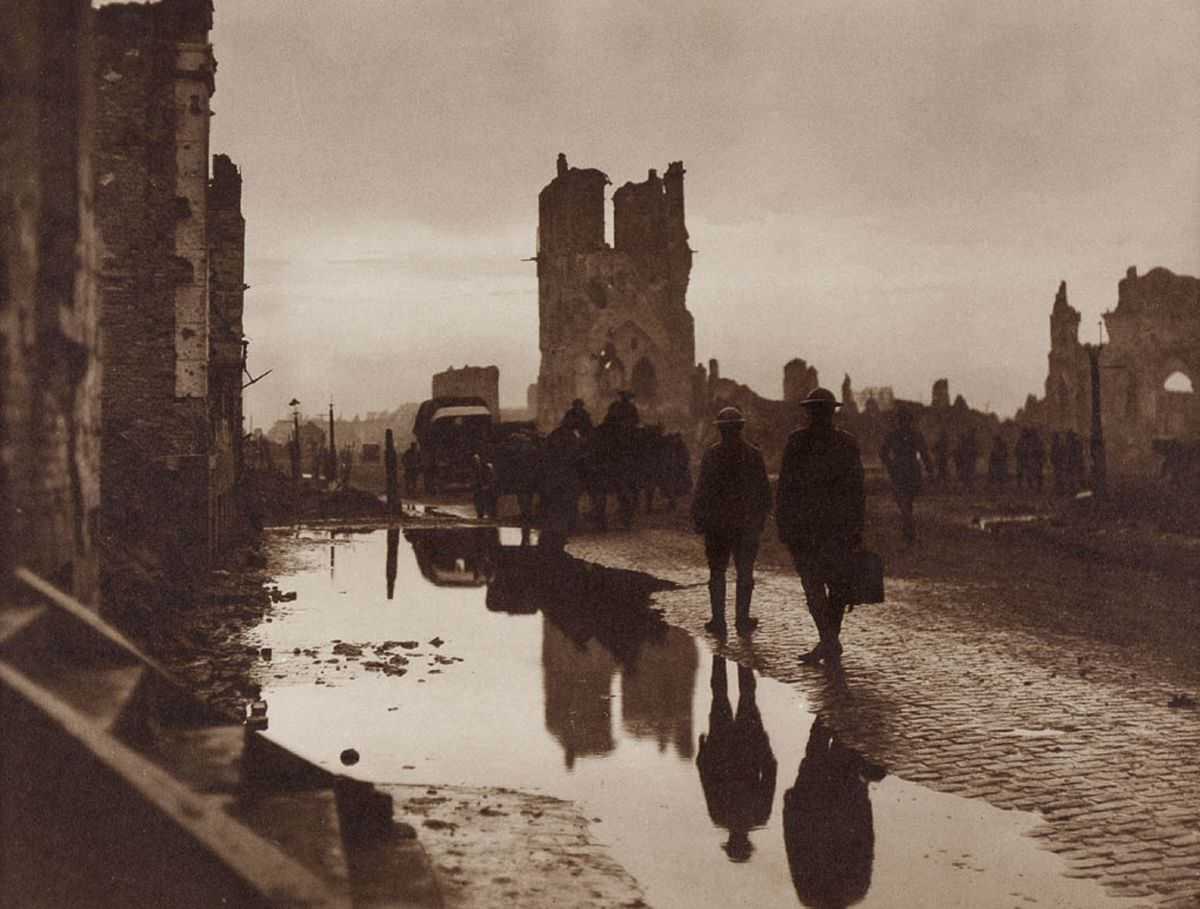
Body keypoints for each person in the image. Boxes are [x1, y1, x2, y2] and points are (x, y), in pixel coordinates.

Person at [776, 388, 865, 664]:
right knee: (836, 588)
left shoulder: (797, 440)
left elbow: (785, 487)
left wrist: (784, 522)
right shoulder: (846, 442)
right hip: (837, 527)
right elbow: (857, 489)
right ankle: (830, 640)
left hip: (806, 528)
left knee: (813, 587)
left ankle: (828, 640)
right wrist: (857, 526)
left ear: (809, 411)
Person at [783, 716, 885, 909]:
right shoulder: (810, 895)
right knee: (819, 749)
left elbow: (865, 843)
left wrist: (864, 805)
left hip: (836, 805)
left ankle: (834, 707)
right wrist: (790, 809)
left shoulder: (854, 891)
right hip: (816, 805)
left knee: (836, 750)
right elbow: (795, 846)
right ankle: (830, 708)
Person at [691, 406, 772, 636]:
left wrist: (699, 516)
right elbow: (764, 491)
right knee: (745, 573)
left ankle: (719, 621)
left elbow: (702, 489)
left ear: (720, 430)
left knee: (717, 572)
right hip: (745, 524)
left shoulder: (712, 454)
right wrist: (761, 518)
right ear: (741, 428)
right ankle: (742, 620)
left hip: (717, 525)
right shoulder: (754, 454)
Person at [696, 656, 777, 864]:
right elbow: (706, 776)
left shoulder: (759, 816)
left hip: (745, 746)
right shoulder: (720, 817)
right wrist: (703, 750)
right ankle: (721, 655)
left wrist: (763, 744)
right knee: (722, 696)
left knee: (746, 696)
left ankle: (737, 655)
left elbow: (770, 771)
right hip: (726, 747)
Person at [879, 405, 932, 543]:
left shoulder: (893, 435)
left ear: (899, 420)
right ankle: (908, 526)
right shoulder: (917, 435)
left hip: (898, 469)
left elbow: (883, 453)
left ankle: (908, 525)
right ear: (910, 420)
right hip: (913, 469)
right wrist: (930, 470)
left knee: (902, 499)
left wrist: (890, 465)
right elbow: (925, 454)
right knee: (908, 499)